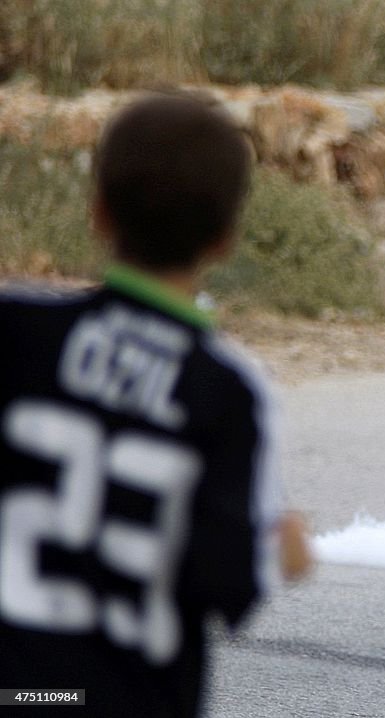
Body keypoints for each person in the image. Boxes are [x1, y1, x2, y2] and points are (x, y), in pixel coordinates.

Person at [0, 93, 312, 717]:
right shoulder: (228, 391)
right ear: (225, 239)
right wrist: (287, 551)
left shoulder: (15, 331)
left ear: (99, 214)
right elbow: (230, 586)